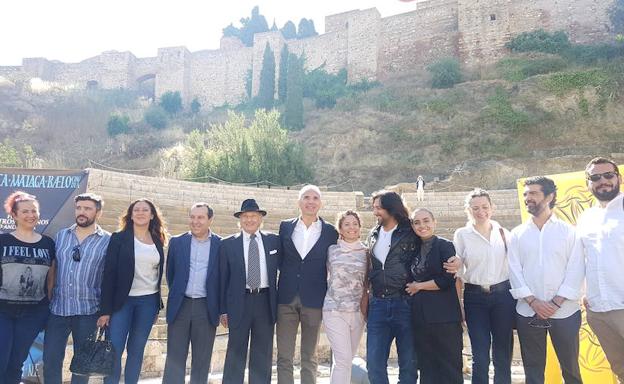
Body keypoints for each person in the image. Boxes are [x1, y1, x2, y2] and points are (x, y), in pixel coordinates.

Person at [508, 176, 584, 384]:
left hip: (565, 311)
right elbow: (514, 270)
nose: (527, 198)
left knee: (570, 368)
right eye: (525, 194)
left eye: (533, 193)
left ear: (549, 196)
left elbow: (576, 269)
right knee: (532, 369)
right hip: (527, 311)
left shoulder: (569, 232)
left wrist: (555, 303)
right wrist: (533, 301)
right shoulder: (517, 234)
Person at [97, 198, 167, 384]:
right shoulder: (119, 238)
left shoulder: (157, 240)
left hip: (148, 303)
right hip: (122, 303)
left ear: (152, 215)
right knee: (115, 350)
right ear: (130, 214)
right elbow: (109, 274)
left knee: (136, 351)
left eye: (145, 210)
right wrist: (105, 310)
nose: (141, 212)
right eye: (136, 210)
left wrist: (156, 306)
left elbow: (156, 274)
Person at [44, 193, 111, 384]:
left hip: (88, 312)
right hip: (58, 310)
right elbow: (52, 270)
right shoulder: (61, 236)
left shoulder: (107, 240)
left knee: (82, 366)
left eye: (88, 208)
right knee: (50, 361)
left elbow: (110, 277)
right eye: (79, 208)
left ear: (98, 212)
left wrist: (106, 311)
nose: (82, 212)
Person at [276, 185, 339, 384]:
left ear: (320, 203)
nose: (310, 201)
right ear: (299, 202)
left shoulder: (330, 231)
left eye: (315, 198)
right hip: (286, 298)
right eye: (306, 197)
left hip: (314, 300)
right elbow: (280, 259)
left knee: (309, 356)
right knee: (284, 356)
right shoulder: (285, 226)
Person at [453, 189, 515, 384]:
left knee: (502, 351)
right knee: (480, 353)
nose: (481, 212)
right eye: (476, 208)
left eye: (485, 207)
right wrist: (459, 304)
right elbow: (458, 272)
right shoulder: (462, 235)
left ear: (492, 208)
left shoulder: (504, 233)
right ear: (468, 210)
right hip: (474, 297)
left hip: (503, 296)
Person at [573, 157, 624, 381]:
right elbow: (583, 259)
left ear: (618, 178)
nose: (602, 181)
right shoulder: (586, 217)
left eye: (608, 175)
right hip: (598, 310)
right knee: (620, 369)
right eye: (595, 177)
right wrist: (585, 292)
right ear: (588, 183)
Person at [219, 199, 281, 384]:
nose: (249, 220)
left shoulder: (273, 240)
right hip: (239, 302)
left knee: (262, 353)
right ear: (240, 219)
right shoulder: (227, 244)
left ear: (260, 218)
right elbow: (222, 279)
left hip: (265, 302)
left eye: (253, 216)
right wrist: (223, 309)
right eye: (245, 216)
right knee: (235, 352)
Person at [163, 202, 222, 384]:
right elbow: (171, 274)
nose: (195, 221)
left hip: (206, 307)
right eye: (193, 217)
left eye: (201, 217)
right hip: (181, 305)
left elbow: (223, 278)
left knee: (202, 359)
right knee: (175, 358)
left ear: (210, 220)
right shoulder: (177, 242)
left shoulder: (221, 244)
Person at [0, 191, 55, 384]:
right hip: (3, 310)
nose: (31, 215)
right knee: (1, 360)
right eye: (25, 211)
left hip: (33, 313)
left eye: (34, 211)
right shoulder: (3, 241)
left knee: (17, 362)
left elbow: (51, 278)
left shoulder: (48, 243)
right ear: (13, 215)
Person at [366, 190, 419, 384]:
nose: (375, 212)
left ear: (391, 208)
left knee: (409, 363)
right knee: (374, 363)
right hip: (378, 304)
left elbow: (431, 248)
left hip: (405, 302)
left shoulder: (411, 231)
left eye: (378, 208)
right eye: (374, 208)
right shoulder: (372, 234)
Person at [406, 208, 463, 384]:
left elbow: (446, 279)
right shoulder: (412, 248)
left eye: (426, 220)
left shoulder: (444, 245)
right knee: (427, 367)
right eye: (417, 222)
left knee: (450, 367)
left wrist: (419, 286)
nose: (422, 225)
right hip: (421, 316)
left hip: (444, 316)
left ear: (434, 222)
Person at [322, 210, 368, 384]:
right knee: (342, 360)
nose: (352, 227)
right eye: (347, 224)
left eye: (355, 223)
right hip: (334, 310)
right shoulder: (331, 250)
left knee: (346, 360)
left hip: (358, 312)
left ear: (360, 227)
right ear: (340, 228)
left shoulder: (367, 252)